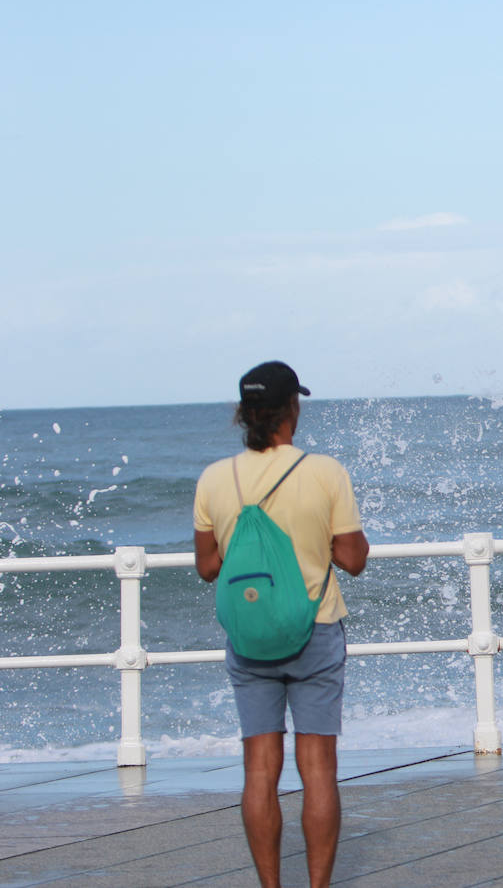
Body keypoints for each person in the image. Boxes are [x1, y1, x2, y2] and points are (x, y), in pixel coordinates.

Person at [193, 361, 369, 888]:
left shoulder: (214, 478)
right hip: (315, 627)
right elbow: (354, 559)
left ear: (244, 415)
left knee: (259, 770)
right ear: (292, 408)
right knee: (317, 768)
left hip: (250, 638)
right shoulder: (324, 471)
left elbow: (207, 567)